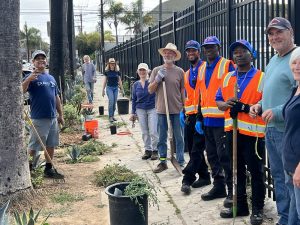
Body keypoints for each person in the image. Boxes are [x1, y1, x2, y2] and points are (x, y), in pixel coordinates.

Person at [249, 17, 297, 225]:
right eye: (271, 33)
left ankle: (292, 220)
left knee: (291, 181)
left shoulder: (296, 57)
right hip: (271, 130)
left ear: (290, 32)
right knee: (278, 178)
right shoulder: (274, 59)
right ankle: (284, 217)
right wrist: (259, 105)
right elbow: (269, 93)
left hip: (288, 131)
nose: (275, 36)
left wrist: (277, 111)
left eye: (279, 31)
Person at [216, 40, 265, 224]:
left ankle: (257, 209)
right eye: (235, 51)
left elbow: (264, 104)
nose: (238, 54)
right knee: (237, 171)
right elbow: (218, 101)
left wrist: (244, 107)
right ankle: (241, 206)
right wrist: (226, 104)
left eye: (243, 51)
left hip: (253, 136)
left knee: (256, 172)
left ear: (251, 54)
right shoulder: (228, 77)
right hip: (232, 132)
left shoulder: (261, 77)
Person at [198, 36, 235, 205]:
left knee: (224, 156)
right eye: (206, 47)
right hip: (207, 121)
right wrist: (199, 117)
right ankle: (218, 186)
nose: (208, 50)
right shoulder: (202, 67)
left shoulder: (227, 64)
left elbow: (235, 87)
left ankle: (231, 191)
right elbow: (201, 94)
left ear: (218, 48)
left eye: (212, 47)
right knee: (211, 155)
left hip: (222, 120)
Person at [22, 50, 64, 179]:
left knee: (51, 144)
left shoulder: (51, 78)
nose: (41, 60)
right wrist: (28, 79)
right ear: (33, 62)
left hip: (52, 117)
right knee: (34, 145)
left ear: (46, 61)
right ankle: (28, 170)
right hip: (39, 118)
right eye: (37, 58)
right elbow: (21, 91)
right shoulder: (31, 76)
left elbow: (56, 97)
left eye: (43, 58)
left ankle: (48, 169)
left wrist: (60, 114)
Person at [148, 43, 185, 173]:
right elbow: (150, 90)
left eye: (170, 53)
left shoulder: (180, 72)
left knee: (179, 137)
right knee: (162, 137)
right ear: (163, 54)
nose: (167, 55)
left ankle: (180, 161)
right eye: (166, 52)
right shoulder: (156, 70)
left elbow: (182, 91)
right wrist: (157, 79)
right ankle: (162, 161)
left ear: (175, 56)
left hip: (176, 109)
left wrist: (184, 108)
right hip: (161, 110)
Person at [180, 40, 211, 195]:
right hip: (190, 116)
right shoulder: (186, 73)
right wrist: (183, 111)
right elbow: (188, 95)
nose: (191, 53)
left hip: (203, 115)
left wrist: (200, 117)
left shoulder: (206, 68)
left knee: (196, 149)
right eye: (188, 51)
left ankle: (187, 178)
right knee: (192, 146)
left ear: (199, 52)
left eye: (194, 51)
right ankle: (204, 176)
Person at [283, 47, 300, 224]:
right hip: (290, 162)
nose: (297, 66)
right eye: (294, 62)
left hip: (298, 167)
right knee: (294, 215)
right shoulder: (296, 89)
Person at [130, 63, 159, 160]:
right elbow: (133, 99)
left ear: (148, 71)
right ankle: (148, 150)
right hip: (140, 109)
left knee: (153, 130)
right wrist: (133, 113)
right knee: (144, 131)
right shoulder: (135, 85)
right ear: (138, 72)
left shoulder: (152, 82)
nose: (142, 72)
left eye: (144, 70)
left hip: (152, 108)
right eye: (140, 70)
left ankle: (155, 150)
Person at [102, 58, 124, 123]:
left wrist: (122, 89)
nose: (112, 65)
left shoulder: (117, 71)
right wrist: (103, 90)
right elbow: (105, 81)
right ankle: (110, 116)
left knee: (114, 103)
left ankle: (113, 115)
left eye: (113, 63)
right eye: (111, 63)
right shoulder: (107, 72)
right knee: (111, 101)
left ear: (115, 64)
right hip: (109, 88)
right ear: (109, 64)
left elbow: (119, 81)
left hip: (115, 88)